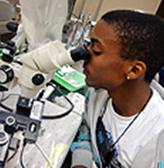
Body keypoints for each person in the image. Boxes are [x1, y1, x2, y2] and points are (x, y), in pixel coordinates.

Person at [70, 10, 164, 168]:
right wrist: (81, 163)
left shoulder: (157, 140)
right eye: (89, 44)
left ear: (134, 70)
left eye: (97, 50)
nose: (85, 55)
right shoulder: (96, 93)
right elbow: (86, 130)